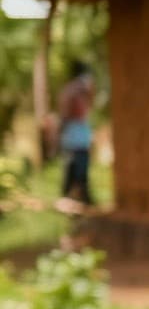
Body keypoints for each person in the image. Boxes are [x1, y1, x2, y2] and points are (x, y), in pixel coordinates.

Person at [53, 59, 94, 207]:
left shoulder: (71, 89)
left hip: (75, 133)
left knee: (76, 167)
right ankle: (76, 198)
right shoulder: (76, 88)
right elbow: (71, 109)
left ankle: (79, 197)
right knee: (76, 168)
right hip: (74, 133)